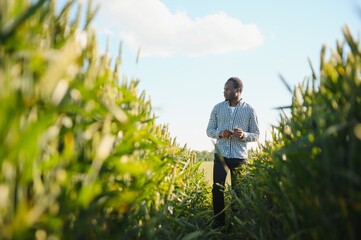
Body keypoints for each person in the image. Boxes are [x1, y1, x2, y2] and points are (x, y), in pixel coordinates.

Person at [206, 77, 259, 227]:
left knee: (239, 193)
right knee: (217, 190)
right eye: (224, 88)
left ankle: (237, 225)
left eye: (228, 89)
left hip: (240, 157)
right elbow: (209, 130)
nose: (224, 91)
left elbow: (256, 134)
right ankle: (219, 225)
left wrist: (244, 135)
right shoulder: (217, 108)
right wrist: (221, 133)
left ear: (238, 90)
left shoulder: (249, 110)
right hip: (221, 156)